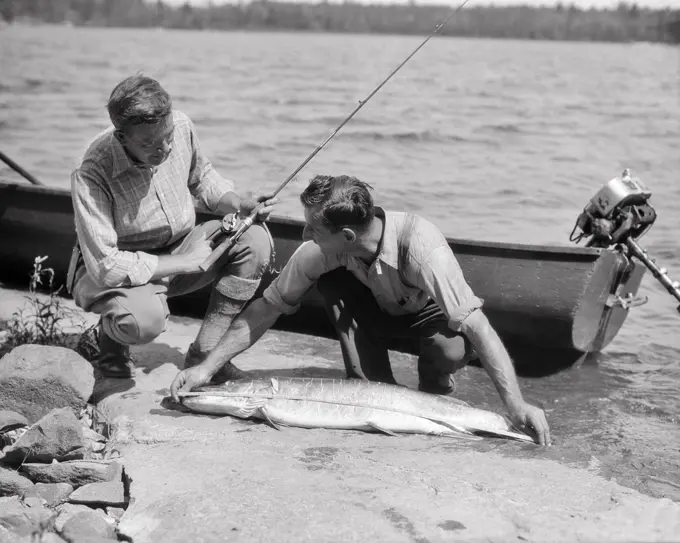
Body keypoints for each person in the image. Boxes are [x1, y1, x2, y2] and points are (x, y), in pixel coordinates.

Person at [170, 175, 551, 445]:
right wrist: (207, 367)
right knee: (333, 284)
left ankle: (437, 389)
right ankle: (372, 385)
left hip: (425, 317)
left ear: (347, 237)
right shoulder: (319, 252)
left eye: (313, 229)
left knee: (449, 349)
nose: (305, 236)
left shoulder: (422, 247)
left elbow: (479, 328)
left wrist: (515, 405)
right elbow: (267, 308)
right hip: (374, 314)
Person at [67, 74, 277, 379]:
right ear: (121, 137)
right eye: (148, 144)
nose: (164, 149)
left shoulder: (180, 125)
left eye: (167, 136)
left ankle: (205, 355)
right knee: (143, 322)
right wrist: (183, 262)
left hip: (180, 248)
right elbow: (105, 266)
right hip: (113, 271)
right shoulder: (91, 172)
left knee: (254, 239)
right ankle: (108, 344)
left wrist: (241, 204)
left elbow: (202, 178)